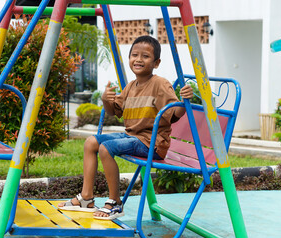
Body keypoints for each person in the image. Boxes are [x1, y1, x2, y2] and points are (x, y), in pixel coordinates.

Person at [58, 35, 194, 220]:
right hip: (132, 137)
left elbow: (174, 114)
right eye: (134, 55)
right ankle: (86, 197)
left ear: (156, 62)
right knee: (91, 142)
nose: (138, 59)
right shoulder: (131, 86)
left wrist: (185, 101)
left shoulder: (160, 84)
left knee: (107, 148)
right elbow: (114, 111)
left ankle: (115, 202)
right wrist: (107, 100)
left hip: (152, 143)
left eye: (145, 56)